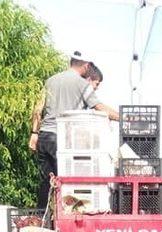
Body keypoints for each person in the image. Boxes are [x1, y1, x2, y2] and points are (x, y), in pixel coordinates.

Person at [29, 50, 119, 209]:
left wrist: (34, 134)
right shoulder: (82, 84)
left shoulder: (50, 80)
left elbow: (37, 109)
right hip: (63, 141)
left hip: (44, 136)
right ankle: (67, 217)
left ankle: (41, 222)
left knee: (46, 182)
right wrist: (123, 117)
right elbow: (98, 107)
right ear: (85, 65)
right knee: (68, 181)